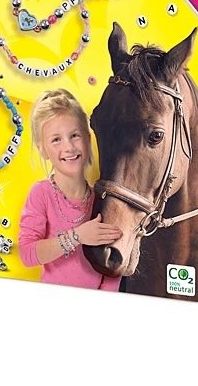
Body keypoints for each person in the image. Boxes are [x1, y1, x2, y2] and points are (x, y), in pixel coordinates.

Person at [18, 89, 122, 290]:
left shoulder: (102, 201)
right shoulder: (41, 194)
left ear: (88, 140)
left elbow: (114, 266)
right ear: (43, 149)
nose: (69, 147)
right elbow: (27, 253)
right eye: (56, 139)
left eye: (74, 135)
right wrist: (77, 236)